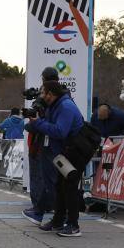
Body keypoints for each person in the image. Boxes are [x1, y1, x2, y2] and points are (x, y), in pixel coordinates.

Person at [26, 80, 85, 237]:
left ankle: (73, 225)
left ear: (51, 94)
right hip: (64, 152)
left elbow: (60, 131)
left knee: (70, 187)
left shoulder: (65, 106)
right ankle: (58, 221)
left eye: (43, 93)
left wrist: (39, 123)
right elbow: (49, 125)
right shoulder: (55, 105)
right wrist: (36, 122)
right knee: (59, 186)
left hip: (76, 151)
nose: (42, 96)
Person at [22, 67, 59, 226]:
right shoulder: (62, 98)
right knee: (51, 178)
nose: (43, 96)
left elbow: (54, 127)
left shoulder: (60, 103)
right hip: (52, 144)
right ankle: (51, 211)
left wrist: (32, 124)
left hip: (43, 143)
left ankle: (39, 208)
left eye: (44, 93)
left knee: (42, 177)